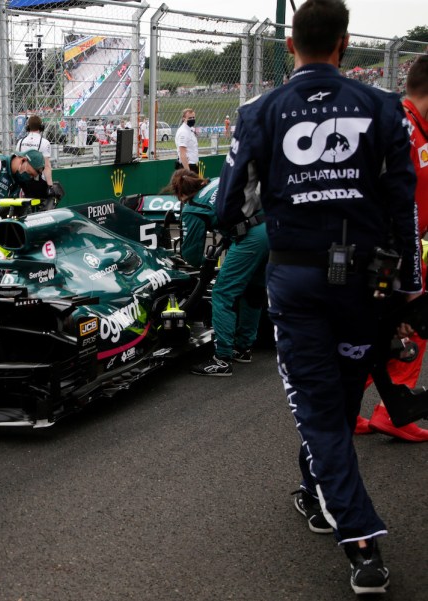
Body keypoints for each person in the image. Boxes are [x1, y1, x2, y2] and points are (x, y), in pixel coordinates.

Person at [216, 1, 419, 594]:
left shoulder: (259, 110)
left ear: (289, 44)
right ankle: (319, 492)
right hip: (367, 283)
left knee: (321, 414)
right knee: (334, 404)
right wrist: (407, 287)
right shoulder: (384, 106)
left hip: (296, 282)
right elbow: (402, 204)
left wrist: (257, 222)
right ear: (345, 43)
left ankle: (360, 542)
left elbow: (229, 205)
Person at [354, 54, 428, 442]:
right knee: (402, 327)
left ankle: (360, 407)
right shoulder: (401, 129)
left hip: (404, 247)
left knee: (386, 331)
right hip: (396, 251)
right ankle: (383, 409)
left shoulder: (414, 127)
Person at [168, 169, 268, 377]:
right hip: (271, 227)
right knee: (253, 289)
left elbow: (192, 254)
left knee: (222, 293)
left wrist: (206, 262)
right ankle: (243, 348)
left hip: (249, 238)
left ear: (179, 193)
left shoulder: (193, 207)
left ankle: (222, 359)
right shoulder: (216, 180)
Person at [16, 115, 54, 187]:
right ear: (41, 127)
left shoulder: (20, 142)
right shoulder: (45, 142)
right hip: (38, 182)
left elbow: (17, 164)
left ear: (27, 127)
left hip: (22, 181)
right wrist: (50, 186)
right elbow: (47, 167)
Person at [175, 108, 199, 172]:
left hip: (193, 164)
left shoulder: (190, 129)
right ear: (184, 118)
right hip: (187, 166)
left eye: (193, 117)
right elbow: (182, 153)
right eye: (190, 118)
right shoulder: (183, 132)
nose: (192, 119)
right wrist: (188, 171)